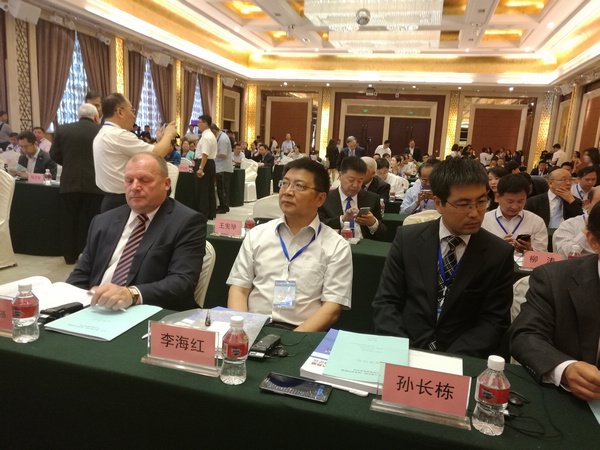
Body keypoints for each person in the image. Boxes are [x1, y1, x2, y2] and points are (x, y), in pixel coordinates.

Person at [373, 157, 514, 358]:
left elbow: (494, 322)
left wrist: (450, 360)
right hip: (407, 349)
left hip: (462, 356)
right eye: (464, 204)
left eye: (481, 202)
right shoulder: (408, 239)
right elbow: (387, 302)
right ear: (439, 203)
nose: (475, 213)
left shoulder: (498, 253)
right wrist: (402, 351)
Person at [66, 153, 206, 311]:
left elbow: (182, 282)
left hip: (148, 311)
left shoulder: (187, 222)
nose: (135, 187)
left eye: (144, 180)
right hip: (96, 308)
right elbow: (81, 274)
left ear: (166, 184)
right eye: (129, 180)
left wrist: (131, 294)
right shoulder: (103, 221)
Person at [227, 158, 352, 331]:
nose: (287, 192)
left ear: (320, 198)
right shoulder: (257, 234)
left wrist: (292, 339)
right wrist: (241, 330)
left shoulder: (337, 246)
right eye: (284, 184)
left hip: (301, 332)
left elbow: (331, 308)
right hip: (254, 326)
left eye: (299, 186)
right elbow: (239, 289)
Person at [509, 201, 600, 401]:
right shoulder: (555, 279)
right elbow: (526, 335)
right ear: (594, 242)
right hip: (578, 400)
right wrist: (566, 369)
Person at [93, 93, 178, 213]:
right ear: (120, 112)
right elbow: (157, 154)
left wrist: (160, 141)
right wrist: (168, 134)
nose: (134, 115)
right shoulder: (118, 135)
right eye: (131, 110)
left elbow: (145, 153)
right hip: (123, 201)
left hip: (110, 199)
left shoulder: (104, 132)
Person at [49, 103, 104, 265]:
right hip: (95, 184)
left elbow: (54, 155)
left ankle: (69, 256)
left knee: (68, 221)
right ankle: (91, 255)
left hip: (69, 183)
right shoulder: (101, 131)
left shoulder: (63, 130)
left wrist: (69, 163)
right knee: (92, 221)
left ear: (78, 116)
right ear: (96, 117)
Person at [319, 156, 386, 240]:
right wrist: (342, 219)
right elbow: (318, 226)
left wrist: (373, 223)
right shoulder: (325, 199)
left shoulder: (372, 198)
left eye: (360, 181)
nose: (355, 185)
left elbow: (383, 233)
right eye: (351, 180)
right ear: (340, 175)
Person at [482, 174, 548, 254]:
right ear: (498, 197)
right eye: (510, 202)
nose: (515, 206)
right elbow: (477, 253)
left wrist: (529, 251)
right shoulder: (484, 221)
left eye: (520, 201)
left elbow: (542, 254)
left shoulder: (536, 222)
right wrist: (497, 248)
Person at [554, 187, 599, 258]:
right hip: (581, 263)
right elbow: (563, 254)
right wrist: (587, 229)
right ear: (587, 203)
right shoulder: (570, 224)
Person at [194, 114, 217, 219]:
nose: (198, 124)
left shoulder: (206, 137)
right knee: (209, 190)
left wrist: (201, 168)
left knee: (202, 190)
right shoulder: (211, 135)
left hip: (204, 163)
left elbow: (205, 154)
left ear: (205, 123)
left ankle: (203, 214)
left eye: (199, 122)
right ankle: (210, 213)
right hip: (210, 163)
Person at [212, 123, 233, 214]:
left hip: (223, 168)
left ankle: (224, 207)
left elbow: (223, 154)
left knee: (222, 189)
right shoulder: (220, 137)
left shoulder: (222, 139)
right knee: (221, 188)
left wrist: (213, 153)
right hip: (220, 167)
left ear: (214, 131)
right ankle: (224, 206)